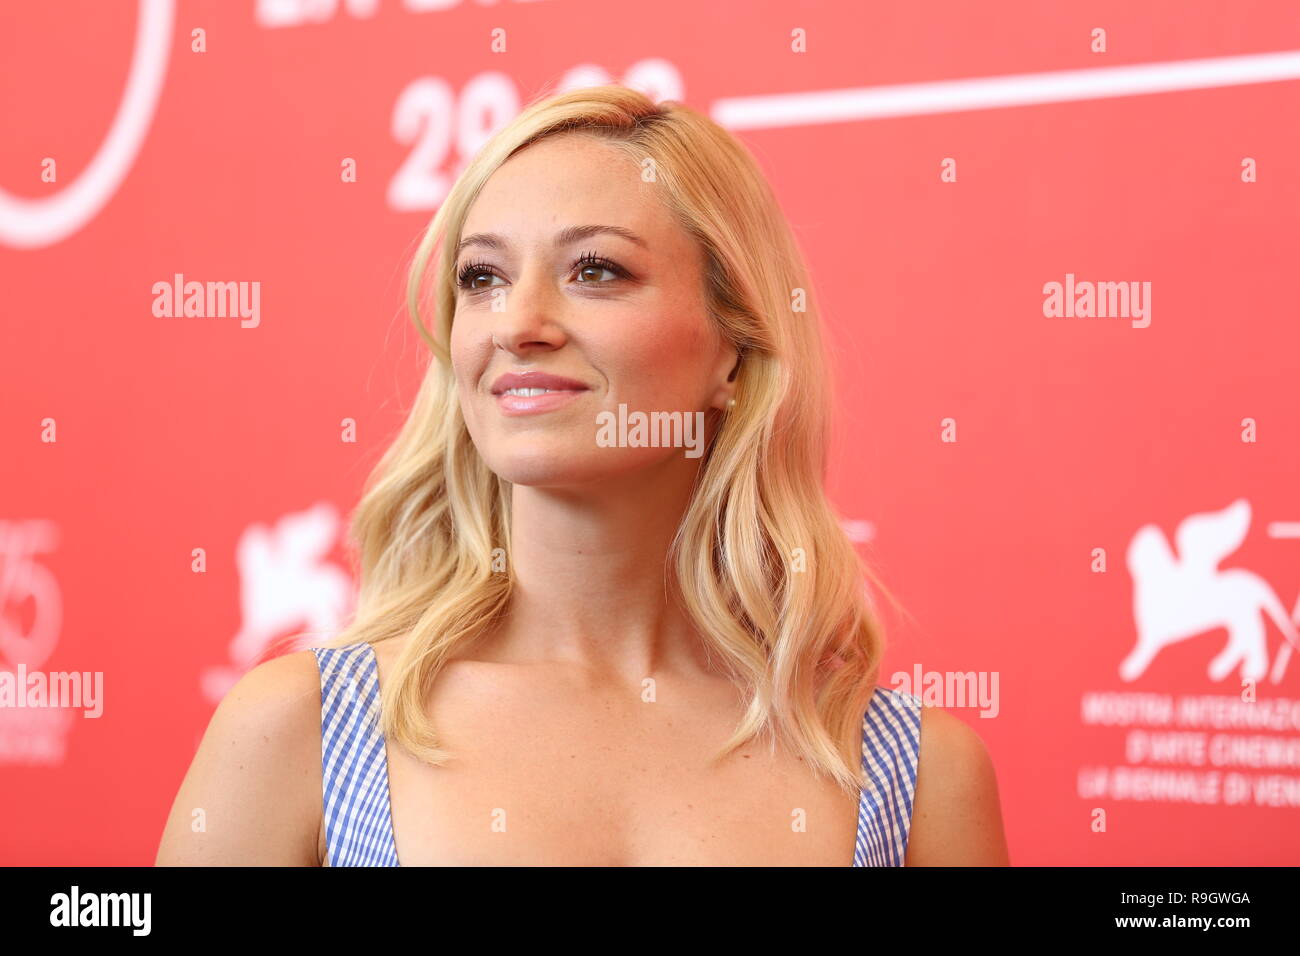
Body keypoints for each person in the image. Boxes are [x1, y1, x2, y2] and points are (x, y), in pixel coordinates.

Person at [156, 85, 1009, 866]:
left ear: (736, 350)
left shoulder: (917, 776)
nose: (518, 323)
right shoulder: (301, 731)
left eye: (596, 270)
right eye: (481, 278)